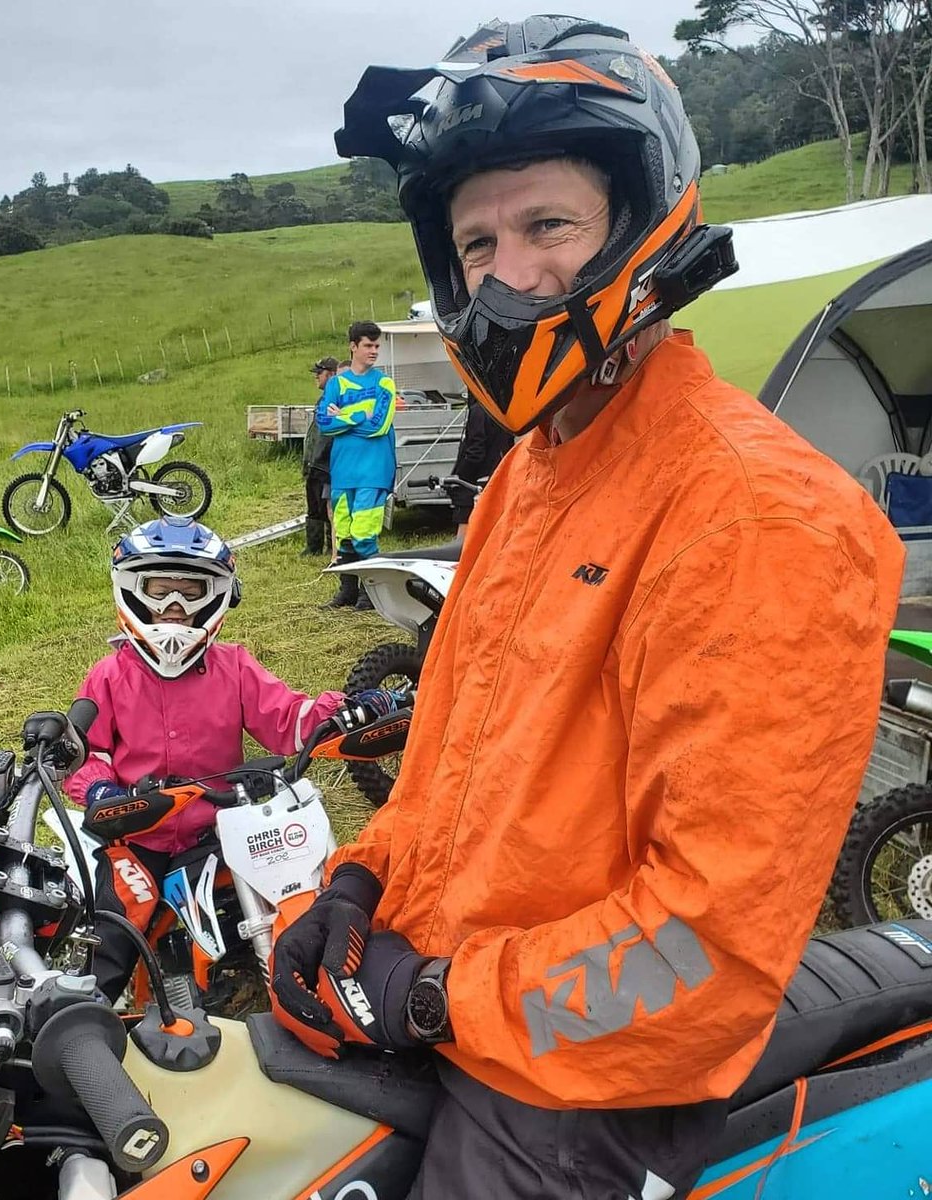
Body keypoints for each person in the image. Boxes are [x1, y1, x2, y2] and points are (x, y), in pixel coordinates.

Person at [269, 16, 905, 1200]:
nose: (507, 275)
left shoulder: (754, 516)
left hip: (579, 1085)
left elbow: (701, 943)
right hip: (467, 1009)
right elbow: (457, 770)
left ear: (642, 224)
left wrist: (428, 995)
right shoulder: (534, 471)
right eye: (476, 241)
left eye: (548, 224)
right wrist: (355, 882)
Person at [58, 516, 401, 1002]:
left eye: (190, 590)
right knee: (118, 927)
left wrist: (346, 711)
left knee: (297, 888)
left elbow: (290, 719)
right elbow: (86, 754)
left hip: (221, 827)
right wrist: (103, 792)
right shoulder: (109, 676)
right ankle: (83, 1018)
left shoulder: (234, 666)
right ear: (133, 590)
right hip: (140, 835)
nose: (174, 606)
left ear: (216, 595)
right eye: (161, 589)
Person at [316, 321, 398, 610]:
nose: (374, 351)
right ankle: (347, 592)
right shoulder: (336, 383)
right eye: (368, 345)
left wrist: (345, 416)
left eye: (377, 346)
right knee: (346, 534)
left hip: (373, 470)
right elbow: (324, 424)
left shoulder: (384, 383)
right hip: (343, 471)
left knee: (365, 533)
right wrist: (360, 412)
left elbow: (379, 425)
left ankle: (371, 594)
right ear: (353, 346)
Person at [445, 394, 513, 536]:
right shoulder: (503, 411)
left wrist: (460, 476)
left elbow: (475, 452)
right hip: (496, 476)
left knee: (463, 536)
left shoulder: (478, 411)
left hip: (472, 483)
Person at [301, 357, 338, 556]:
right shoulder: (323, 398)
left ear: (331, 374)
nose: (316, 376)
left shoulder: (336, 398)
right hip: (314, 462)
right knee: (314, 504)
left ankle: (333, 547)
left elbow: (330, 436)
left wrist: (321, 459)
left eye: (320, 373)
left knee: (330, 507)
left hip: (326, 463)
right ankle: (313, 547)